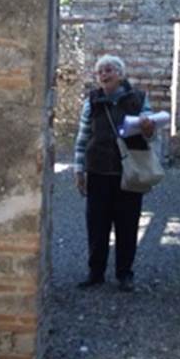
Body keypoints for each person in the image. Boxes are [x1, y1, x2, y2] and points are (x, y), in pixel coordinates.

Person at [73, 54, 156, 292]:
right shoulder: (92, 101)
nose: (103, 75)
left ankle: (124, 274)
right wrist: (79, 170)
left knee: (127, 225)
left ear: (120, 74)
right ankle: (95, 273)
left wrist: (148, 129)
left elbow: (151, 134)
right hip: (98, 171)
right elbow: (83, 138)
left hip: (129, 172)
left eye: (109, 70)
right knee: (96, 225)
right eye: (99, 71)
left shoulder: (138, 99)